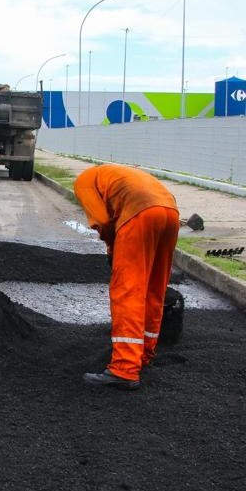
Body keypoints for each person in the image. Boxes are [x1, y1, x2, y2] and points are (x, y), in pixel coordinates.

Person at [73, 163, 180, 390]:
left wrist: (112, 247)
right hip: (170, 213)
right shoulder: (116, 174)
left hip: (139, 214)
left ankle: (124, 368)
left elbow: (102, 220)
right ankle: (144, 353)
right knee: (154, 287)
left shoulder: (83, 181)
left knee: (128, 291)